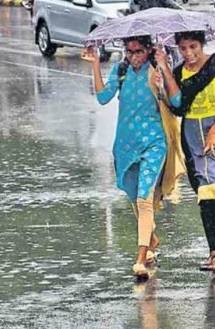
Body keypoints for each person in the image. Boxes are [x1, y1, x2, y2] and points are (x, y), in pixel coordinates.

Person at [82, 36, 186, 279]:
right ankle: (151, 238)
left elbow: (177, 101)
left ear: (148, 50)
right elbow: (102, 97)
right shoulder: (121, 70)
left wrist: (164, 78)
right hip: (126, 145)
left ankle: (141, 257)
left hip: (154, 144)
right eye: (129, 52)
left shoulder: (157, 70)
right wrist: (96, 63)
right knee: (132, 194)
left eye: (138, 51)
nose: (133, 56)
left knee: (144, 199)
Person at [155, 31, 215, 273]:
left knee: (209, 188)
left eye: (193, 46)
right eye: (183, 48)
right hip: (190, 138)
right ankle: (214, 254)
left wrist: (213, 133)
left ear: (202, 44)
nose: (189, 53)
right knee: (203, 191)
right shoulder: (178, 73)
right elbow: (178, 108)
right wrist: (165, 73)